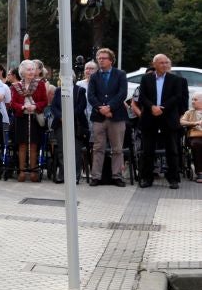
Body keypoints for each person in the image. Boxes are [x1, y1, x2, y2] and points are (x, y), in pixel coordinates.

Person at [138, 54, 189, 189]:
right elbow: (142, 97)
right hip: (150, 117)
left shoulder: (176, 79)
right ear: (154, 64)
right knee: (147, 150)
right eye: (161, 63)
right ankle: (146, 178)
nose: (165, 65)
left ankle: (173, 178)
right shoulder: (146, 79)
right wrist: (152, 107)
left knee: (172, 149)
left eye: (166, 62)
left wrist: (163, 108)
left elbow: (178, 97)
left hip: (168, 117)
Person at [87, 48, 128, 187]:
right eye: (99, 58)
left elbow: (122, 93)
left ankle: (117, 176)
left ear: (111, 60)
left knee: (117, 148)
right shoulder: (94, 76)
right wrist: (101, 108)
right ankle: (96, 176)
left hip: (116, 116)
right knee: (98, 147)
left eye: (104, 58)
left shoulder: (120, 74)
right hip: (99, 117)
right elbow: (91, 96)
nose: (101, 60)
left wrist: (109, 107)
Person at [10, 60, 48, 182]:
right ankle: (21, 172)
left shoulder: (40, 84)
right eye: (29, 69)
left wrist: (35, 106)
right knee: (22, 145)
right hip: (21, 117)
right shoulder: (16, 86)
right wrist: (22, 107)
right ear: (23, 72)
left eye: (33, 69)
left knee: (33, 145)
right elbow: (13, 103)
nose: (31, 72)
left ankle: (33, 171)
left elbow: (44, 101)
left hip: (34, 117)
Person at [49, 81, 88, 184]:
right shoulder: (58, 90)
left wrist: (69, 115)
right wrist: (61, 116)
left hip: (76, 124)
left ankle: (75, 176)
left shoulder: (80, 90)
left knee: (75, 150)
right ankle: (62, 175)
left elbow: (81, 106)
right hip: (60, 124)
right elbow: (53, 107)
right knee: (62, 150)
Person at [179, 92, 202, 184]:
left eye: (195, 100)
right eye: (192, 99)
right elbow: (181, 122)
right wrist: (195, 123)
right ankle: (200, 172)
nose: (192, 102)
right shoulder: (189, 112)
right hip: (195, 136)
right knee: (197, 144)